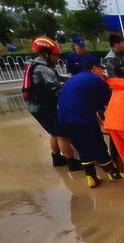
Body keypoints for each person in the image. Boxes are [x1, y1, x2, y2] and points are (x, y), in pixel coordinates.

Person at [58, 56, 124, 188]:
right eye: (101, 69)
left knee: (81, 146)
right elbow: (108, 102)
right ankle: (113, 174)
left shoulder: (72, 80)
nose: (103, 72)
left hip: (64, 119)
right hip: (82, 118)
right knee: (98, 143)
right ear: (94, 68)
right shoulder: (95, 79)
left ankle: (91, 177)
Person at [23, 36, 81, 171]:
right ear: (46, 54)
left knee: (54, 131)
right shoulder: (43, 69)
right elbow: (57, 88)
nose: (57, 58)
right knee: (62, 132)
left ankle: (57, 158)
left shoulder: (37, 64)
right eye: (55, 55)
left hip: (35, 105)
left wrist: (73, 79)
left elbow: (58, 78)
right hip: (42, 106)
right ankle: (72, 162)